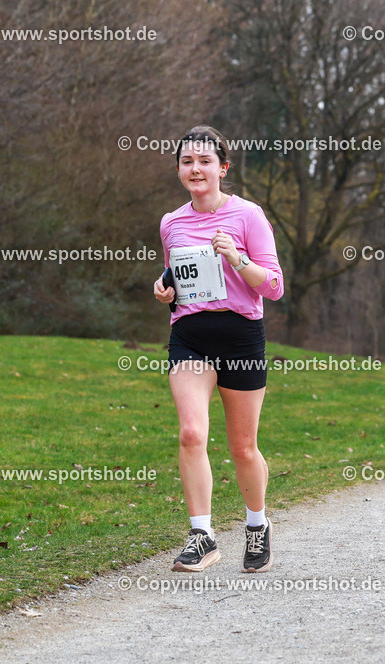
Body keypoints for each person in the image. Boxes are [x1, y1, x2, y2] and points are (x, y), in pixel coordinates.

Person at [152, 125, 284, 572]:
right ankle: (202, 536)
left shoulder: (248, 215)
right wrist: (164, 289)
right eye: (187, 161)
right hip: (190, 336)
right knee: (191, 433)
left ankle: (257, 525)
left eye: (205, 161)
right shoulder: (171, 222)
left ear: (222, 168)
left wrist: (237, 258)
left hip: (241, 337)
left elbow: (274, 286)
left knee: (243, 447)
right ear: (178, 169)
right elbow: (177, 275)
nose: (196, 169)